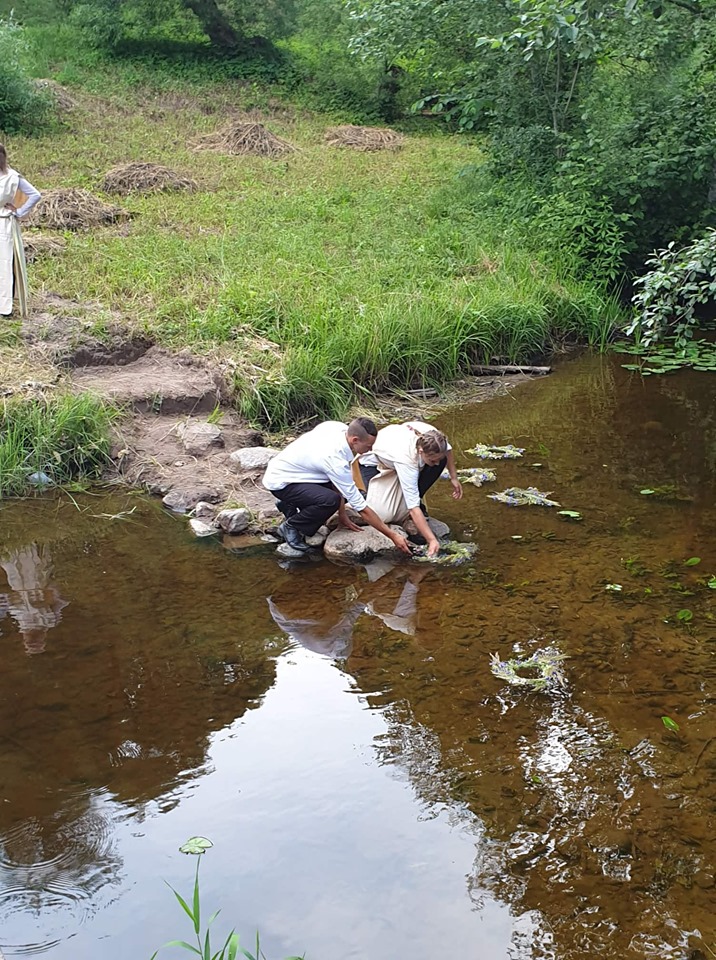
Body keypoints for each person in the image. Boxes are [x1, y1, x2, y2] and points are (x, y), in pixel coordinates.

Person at [262, 417, 412, 556]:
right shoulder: (335, 459)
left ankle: (290, 504)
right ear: (355, 440)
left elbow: (338, 484)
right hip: (281, 482)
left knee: (342, 495)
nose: (370, 450)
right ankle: (292, 526)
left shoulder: (338, 428)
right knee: (330, 501)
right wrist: (393, 536)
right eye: (368, 446)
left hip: (298, 473)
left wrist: (343, 515)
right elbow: (361, 508)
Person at [360, 420, 463, 558]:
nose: (437, 463)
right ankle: (360, 498)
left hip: (396, 460)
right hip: (372, 464)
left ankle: (411, 503)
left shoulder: (434, 438)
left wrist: (454, 478)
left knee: (438, 463)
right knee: (384, 514)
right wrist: (431, 540)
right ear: (421, 451)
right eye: (433, 460)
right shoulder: (408, 460)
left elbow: (447, 452)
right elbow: (413, 508)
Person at [0, 143, 41, 318]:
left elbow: (35, 195)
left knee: (4, 263)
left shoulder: (12, 177)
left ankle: (4, 306)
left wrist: (19, 212)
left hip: (4, 223)